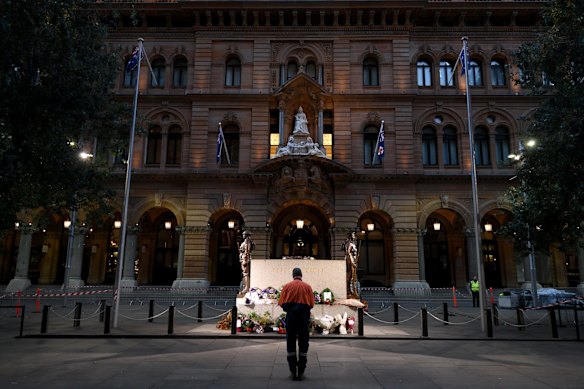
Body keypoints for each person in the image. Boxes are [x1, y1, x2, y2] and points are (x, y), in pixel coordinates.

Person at [278, 267, 315, 381]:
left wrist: (290, 308)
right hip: (303, 318)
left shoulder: (287, 286)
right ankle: (301, 370)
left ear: (293, 275)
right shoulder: (307, 287)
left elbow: (282, 303)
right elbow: (311, 304)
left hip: (291, 318)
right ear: (301, 275)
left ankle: (293, 370)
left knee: (291, 342)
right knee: (304, 343)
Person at [341, 232, 359, 297]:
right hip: (350, 261)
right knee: (350, 276)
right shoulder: (350, 244)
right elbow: (348, 253)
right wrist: (352, 263)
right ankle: (349, 290)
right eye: (353, 235)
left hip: (353, 261)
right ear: (350, 236)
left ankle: (350, 291)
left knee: (352, 276)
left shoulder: (352, 244)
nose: (354, 236)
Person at [238, 230, 254, 295]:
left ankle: (247, 288)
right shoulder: (245, 241)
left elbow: (247, 251)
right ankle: (245, 287)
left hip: (245, 258)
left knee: (246, 273)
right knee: (244, 274)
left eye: (244, 234)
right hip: (243, 258)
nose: (243, 235)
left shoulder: (247, 241)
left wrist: (245, 260)